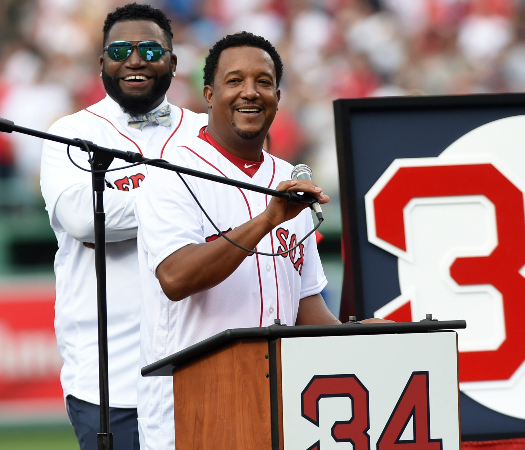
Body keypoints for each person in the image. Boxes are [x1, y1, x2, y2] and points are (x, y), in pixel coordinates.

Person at [134, 31, 341, 450]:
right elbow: (175, 278)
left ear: (278, 96)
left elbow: (306, 306)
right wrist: (267, 219)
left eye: (263, 82)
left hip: (279, 408)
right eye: (235, 81)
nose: (251, 92)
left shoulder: (286, 177)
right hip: (192, 408)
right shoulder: (171, 173)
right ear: (209, 94)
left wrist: (366, 339)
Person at [39, 4, 206, 450]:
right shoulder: (69, 135)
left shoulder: (208, 133)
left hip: (203, 367)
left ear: (173, 61)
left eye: (151, 49)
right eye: (120, 49)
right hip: (110, 382)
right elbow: (83, 218)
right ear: (102, 63)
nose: (135, 59)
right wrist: (190, 200)